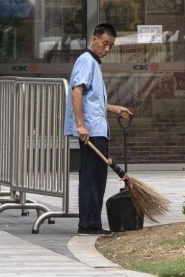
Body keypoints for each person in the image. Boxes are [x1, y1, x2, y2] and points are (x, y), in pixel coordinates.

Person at [64, 22, 132, 235]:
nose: (107, 49)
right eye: (104, 43)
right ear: (94, 39)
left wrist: (113, 108)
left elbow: (91, 98)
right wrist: (81, 125)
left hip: (95, 128)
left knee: (95, 177)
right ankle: (89, 224)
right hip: (91, 131)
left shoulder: (92, 62)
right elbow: (77, 92)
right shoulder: (87, 61)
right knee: (92, 178)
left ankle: (91, 222)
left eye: (111, 45)